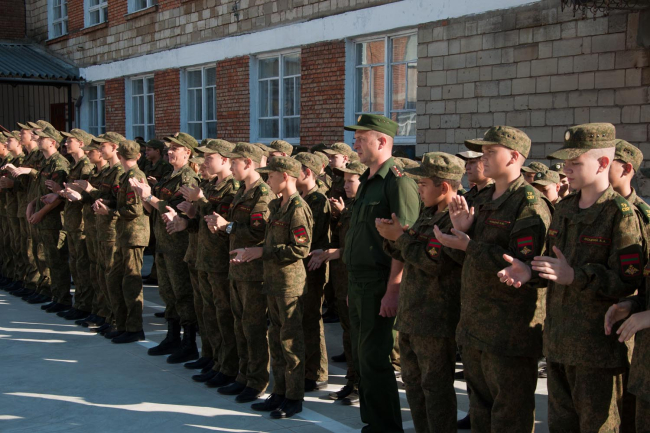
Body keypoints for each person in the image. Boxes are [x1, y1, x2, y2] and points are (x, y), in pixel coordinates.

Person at [500, 123, 643, 432]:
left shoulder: (620, 214)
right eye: (566, 162)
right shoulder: (564, 208)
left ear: (602, 163)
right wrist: (530, 271)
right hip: (558, 345)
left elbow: (628, 281)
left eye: (575, 162)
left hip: (597, 351)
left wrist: (576, 276)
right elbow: (553, 266)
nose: (566, 169)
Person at [436, 126, 551, 432]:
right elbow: (468, 260)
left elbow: (522, 266)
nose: (482, 158)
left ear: (513, 157)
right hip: (475, 326)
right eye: (482, 152)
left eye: (490, 152)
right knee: (480, 411)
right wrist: (462, 233)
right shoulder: (483, 198)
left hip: (508, 333)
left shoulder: (528, 203)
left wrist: (469, 245)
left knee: (509, 415)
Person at [377, 152, 466, 433]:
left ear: (444, 186)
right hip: (413, 314)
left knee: (435, 390)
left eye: (424, 184)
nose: (419, 189)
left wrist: (401, 238)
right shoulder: (429, 213)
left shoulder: (456, 218)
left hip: (435, 319)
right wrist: (393, 236)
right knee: (414, 386)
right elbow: (410, 251)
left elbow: (434, 262)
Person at [343, 114, 420, 433]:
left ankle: (386, 427)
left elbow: (404, 242)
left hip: (380, 283)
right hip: (359, 282)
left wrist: (393, 290)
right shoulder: (368, 180)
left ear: (383, 141)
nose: (355, 144)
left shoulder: (398, 182)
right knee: (363, 358)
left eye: (362, 139)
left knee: (375, 359)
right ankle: (373, 423)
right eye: (355, 139)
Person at [232, 156, 313, 419]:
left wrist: (262, 252)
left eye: (271, 176)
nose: (268, 180)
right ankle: (279, 392)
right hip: (273, 282)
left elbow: (301, 248)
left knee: (290, 344)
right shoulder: (277, 205)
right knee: (276, 341)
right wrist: (253, 251)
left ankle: (294, 397)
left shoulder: (298, 208)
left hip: (289, 285)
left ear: (286, 176)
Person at [205, 142, 274, 402]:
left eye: (234, 162)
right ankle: (242, 375)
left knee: (254, 328)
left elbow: (260, 232)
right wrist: (221, 227)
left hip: (253, 272)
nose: (231, 166)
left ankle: (256, 381)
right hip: (237, 268)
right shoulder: (242, 191)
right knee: (240, 324)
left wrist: (228, 227)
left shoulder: (262, 193)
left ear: (248, 162)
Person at [174, 139, 240, 384]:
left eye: (209, 158)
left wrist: (200, 201)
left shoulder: (233, 188)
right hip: (203, 256)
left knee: (223, 313)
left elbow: (224, 224)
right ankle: (212, 357)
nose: (204, 163)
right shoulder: (210, 186)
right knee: (207, 311)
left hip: (220, 260)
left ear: (224, 160)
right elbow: (203, 222)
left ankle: (227, 364)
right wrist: (187, 219)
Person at [131, 132, 200, 363]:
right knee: (168, 293)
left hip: (178, 245)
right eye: (169, 148)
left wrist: (150, 197)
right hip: (163, 242)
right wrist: (144, 196)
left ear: (187, 152)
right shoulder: (170, 175)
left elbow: (177, 212)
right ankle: (172, 336)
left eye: (175, 149)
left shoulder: (187, 178)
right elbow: (153, 209)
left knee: (182, 293)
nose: (169, 152)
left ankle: (188, 342)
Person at [309, 160, 367, 404]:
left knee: (360, 336)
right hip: (343, 279)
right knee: (348, 332)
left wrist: (337, 253)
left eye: (351, 181)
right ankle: (352, 380)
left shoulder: (366, 208)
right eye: (344, 181)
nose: (345, 186)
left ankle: (362, 385)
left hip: (357, 279)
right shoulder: (352, 206)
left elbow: (366, 245)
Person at [73, 132, 125, 336]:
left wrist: (89, 191)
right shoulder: (107, 172)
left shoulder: (119, 172)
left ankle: (113, 316)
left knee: (111, 274)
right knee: (99, 271)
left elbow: (117, 203)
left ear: (114, 148)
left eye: (102, 146)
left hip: (111, 229)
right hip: (98, 227)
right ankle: (103, 312)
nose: (98, 150)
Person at [103, 140, 150, 344]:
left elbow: (134, 210)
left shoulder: (135, 176)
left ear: (119, 156)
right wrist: (108, 203)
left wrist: (109, 211)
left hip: (134, 235)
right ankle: (122, 325)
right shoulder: (126, 176)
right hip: (124, 235)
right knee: (116, 280)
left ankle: (134, 328)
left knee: (131, 283)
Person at [294, 152, 331, 392]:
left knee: (310, 319)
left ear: (307, 173)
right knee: (302, 319)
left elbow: (312, 235)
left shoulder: (317, 200)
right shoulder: (303, 197)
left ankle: (317, 371)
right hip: (303, 265)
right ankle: (307, 367)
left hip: (313, 265)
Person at [30, 126, 73, 314]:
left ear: (52, 142)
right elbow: (42, 192)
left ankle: (63, 299)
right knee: (49, 259)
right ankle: (56, 296)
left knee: (58, 261)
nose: (38, 140)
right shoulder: (47, 163)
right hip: (45, 219)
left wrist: (40, 213)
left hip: (55, 220)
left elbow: (58, 198)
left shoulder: (59, 163)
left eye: (42, 138)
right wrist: (32, 206)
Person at [54, 129, 95, 321]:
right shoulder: (74, 165)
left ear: (80, 143)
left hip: (81, 222)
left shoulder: (86, 166)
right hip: (72, 221)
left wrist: (66, 193)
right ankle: (79, 303)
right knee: (77, 265)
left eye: (70, 140)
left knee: (83, 266)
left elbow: (86, 196)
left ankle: (85, 305)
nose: (65, 143)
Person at [143, 138, 173, 287]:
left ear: (157, 151)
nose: (146, 153)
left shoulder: (165, 167)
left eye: (149, 150)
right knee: (154, 244)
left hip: (160, 208)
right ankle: (154, 273)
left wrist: (156, 185)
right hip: (152, 208)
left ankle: (156, 274)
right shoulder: (147, 165)